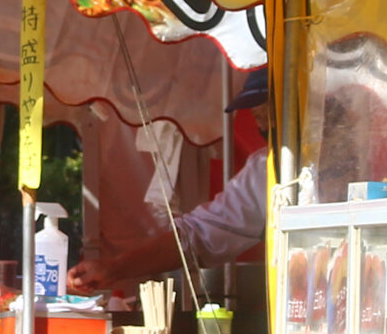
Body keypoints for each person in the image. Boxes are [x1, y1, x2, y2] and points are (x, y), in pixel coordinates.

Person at [68, 67, 270, 295]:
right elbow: (199, 234)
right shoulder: (266, 168)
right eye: (257, 113)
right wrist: (115, 267)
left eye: (267, 110)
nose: (261, 122)